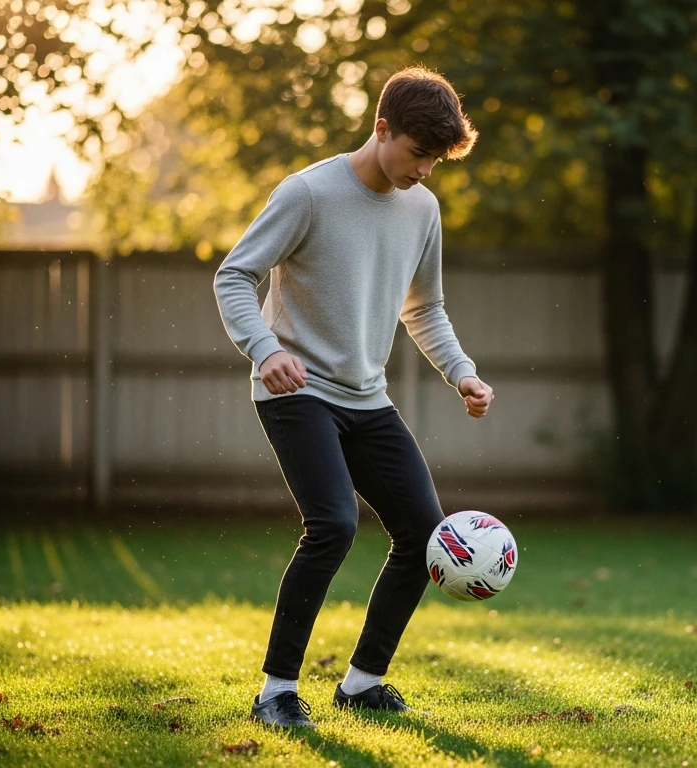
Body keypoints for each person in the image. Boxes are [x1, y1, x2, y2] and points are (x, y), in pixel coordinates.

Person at [213, 66, 495, 730]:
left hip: (368, 398)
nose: (425, 170)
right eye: (418, 153)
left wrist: (463, 373)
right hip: (297, 390)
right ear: (381, 129)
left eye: (437, 159)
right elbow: (234, 275)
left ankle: (363, 684)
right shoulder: (309, 193)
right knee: (334, 525)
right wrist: (266, 348)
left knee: (424, 534)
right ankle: (275, 693)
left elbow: (423, 310)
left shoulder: (422, 209)